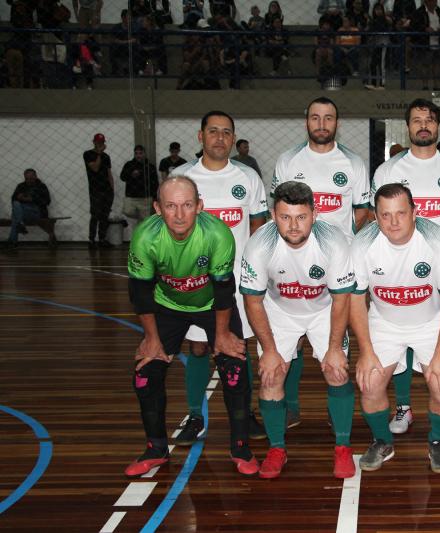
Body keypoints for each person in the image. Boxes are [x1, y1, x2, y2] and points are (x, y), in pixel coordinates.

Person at [125, 176, 258, 477]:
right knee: (145, 374)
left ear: (200, 206)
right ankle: (155, 449)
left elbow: (224, 289)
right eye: (171, 206)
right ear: (157, 208)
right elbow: (140, 293)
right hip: (167, 306)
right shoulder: (145, 237)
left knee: (235, 368)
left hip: (213, 305)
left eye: (187, 205)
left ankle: (240, 447)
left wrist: (222, 336)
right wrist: (151, 338)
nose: (180, 214)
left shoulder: (217, 234)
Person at [371, 98, 440, 435]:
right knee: (398, 335)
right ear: (408, 127)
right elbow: (378, 219)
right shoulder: (388, 171)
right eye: (417, 119)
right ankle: (403, 407)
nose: (423, 125)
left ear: (437, 127)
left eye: (429, 120)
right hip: (395, 266)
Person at [240, 181, 356, 479]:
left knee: (336, 370)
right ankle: (277, 448)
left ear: (315, 214)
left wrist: (333, 347)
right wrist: (269, 350)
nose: (293, 225)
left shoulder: (334, 242)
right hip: (280, 311)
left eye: (301, 217)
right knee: (271, 374)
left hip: (323, 310)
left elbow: (342, 299)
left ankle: (342, 447)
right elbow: (252, 301)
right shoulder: (259, 244)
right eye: (285, 217)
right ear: (272, 215)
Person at [169, 111, 269, 447]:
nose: (220, 138)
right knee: (198, 347)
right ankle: (195, 415)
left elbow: (258, 227)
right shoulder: (181, 176)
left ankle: (246, 412)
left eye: (227, 132)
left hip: (237, 283)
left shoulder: (248, 177)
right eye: (213, 131)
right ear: (200, 136)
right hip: (193, 281)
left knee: (240, 348)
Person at [271, 96, 370, 429]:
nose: (322, 124)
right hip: (294, 261)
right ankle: (291, 406)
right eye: (316, 117)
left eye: (329, 118)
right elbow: (279, 212)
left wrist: (339, 244)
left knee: (336, 342)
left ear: (337, 123)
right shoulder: (288, 161)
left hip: (336, 268)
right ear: (306, 122)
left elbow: (361, 212)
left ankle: (336, 407)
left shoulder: (353, 163)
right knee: (292, 338)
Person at [352, 183, 440, 473]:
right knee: (370, 381)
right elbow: (355, 302)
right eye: (385, 215)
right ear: (375, 216)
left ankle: (438, 441)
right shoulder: (362, 244)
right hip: (385, 321)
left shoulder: (438, 241)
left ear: (415, 212)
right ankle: (382, 441)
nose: (393, 222)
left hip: (431, 320)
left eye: (401, 213)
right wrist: (365, 351)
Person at [6, 169, 56, 247]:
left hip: (37, 212)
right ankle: (20, 224)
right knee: (16, 204)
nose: (28, 181)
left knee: (15, 214)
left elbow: (47, 201)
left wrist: (32, 199)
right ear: (24, 177)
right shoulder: (21, 186)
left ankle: (12, 241)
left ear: (35, 177)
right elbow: (13, 200)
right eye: (27, 179)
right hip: (22, 212)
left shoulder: (41, 186)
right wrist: (19, 198)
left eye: (31, 179)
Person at [83, 133, 115, 249]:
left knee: (104, 216)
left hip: (107, 189)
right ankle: (91, 240)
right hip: (95, 190)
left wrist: (112, 189)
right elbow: (95, 168)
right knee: (95, 215)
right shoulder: (88, 154)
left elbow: (109, 173)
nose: (100, 144)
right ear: (94, 142)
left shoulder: (106, 156)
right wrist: (99, 153)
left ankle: (102, 239)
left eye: (102, 142)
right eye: (98, 142)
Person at [121, 145, 159, 228]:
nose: (138, 155)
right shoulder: (129, 165)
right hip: (131, 196)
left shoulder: (150, 167)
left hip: (145, 198)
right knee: (127, 211)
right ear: (134, 154)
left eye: (140, 153)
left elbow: (155, 183)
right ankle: (139, 217)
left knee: (144, 223)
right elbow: (122, 177)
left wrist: (155, 198)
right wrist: (131, 175)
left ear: (144, 154)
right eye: (136, 153)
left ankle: (141, 238)